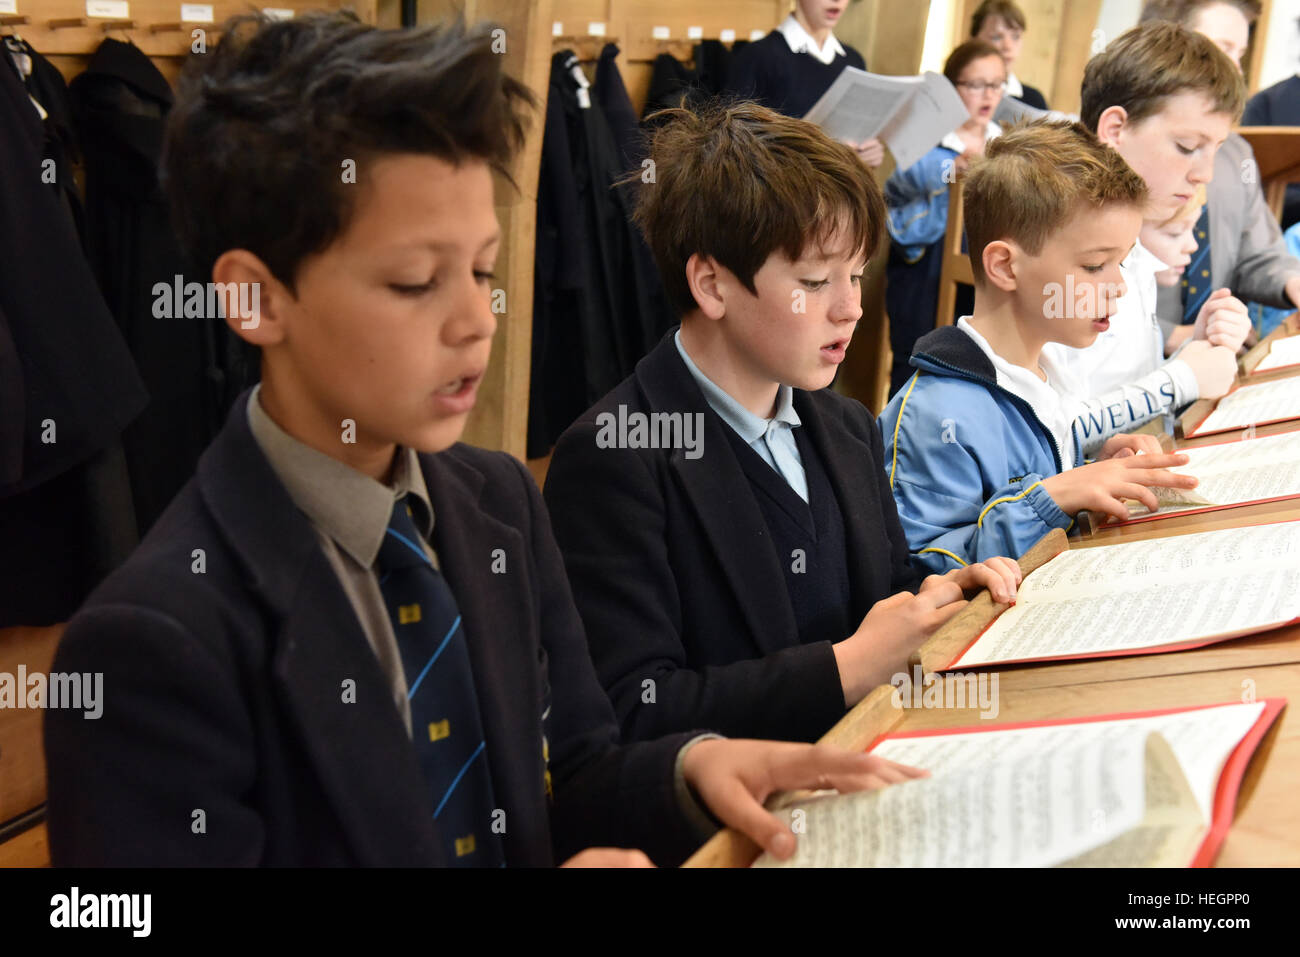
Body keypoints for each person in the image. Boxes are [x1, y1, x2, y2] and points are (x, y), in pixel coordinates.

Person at [41, 12, 926, 869]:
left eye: (482, 271)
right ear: (254, 298)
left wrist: (688, 766)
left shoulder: (495, 501)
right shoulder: (153, 639)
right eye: (417, 280)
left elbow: (575, 772)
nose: (475, 319)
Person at [544, 100, 1021, 745]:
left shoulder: (847, 425)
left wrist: (943, 594)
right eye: (817, 281)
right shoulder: (615, 457)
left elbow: (885, 589)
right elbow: (631, 711)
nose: (851, 309)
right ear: (712, 285)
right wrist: (845, 668)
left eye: (856, 275)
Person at [878, 121, 1200, 572]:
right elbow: (920, 574)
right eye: (1094, 266)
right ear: (1005, 267)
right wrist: (1055, 497)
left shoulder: (1047, 368)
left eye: (1122, 262)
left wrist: (1089, 473)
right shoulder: (934, 414)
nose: (1119, 287)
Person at [1043, 21, 1249, 454]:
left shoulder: (1133, 247)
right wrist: (1178, 379)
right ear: (1116, 130)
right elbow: (1045, 436)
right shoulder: (1064, 254)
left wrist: (1193, 351)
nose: (1204, 173)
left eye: (1215, 148)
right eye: (1188, 145)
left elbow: (1122, 389)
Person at [1139, 1, 1300, 339]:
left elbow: (1258, 253)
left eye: (1240, 54)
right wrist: (1174, 335)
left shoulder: (1237, 154)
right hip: (1136, 361)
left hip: (1216, 351)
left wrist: (1293, 281)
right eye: (1222, 48)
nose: (1235, 70)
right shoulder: (1134, 148)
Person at [883, 39, 1004, 396]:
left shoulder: (1003, 141)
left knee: (969, 360)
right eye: (976, 85)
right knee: (915, 358)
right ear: (952, 90)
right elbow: (900, 180)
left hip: (977, 262)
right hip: (926, 261)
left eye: (996, 85)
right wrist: (951, 167)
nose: (988, 95)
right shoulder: (930, 133)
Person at [726, 0, 885, 168]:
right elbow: (734, 148)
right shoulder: (757, 57)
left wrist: (867, 154)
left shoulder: (854, 61)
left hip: (841, 190)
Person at [971, 0, 1049, 109]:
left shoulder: (1034, 100)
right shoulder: (956, 91)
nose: (1008, 46)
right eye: (996, 37)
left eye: (1015, 37)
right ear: (975, 40)